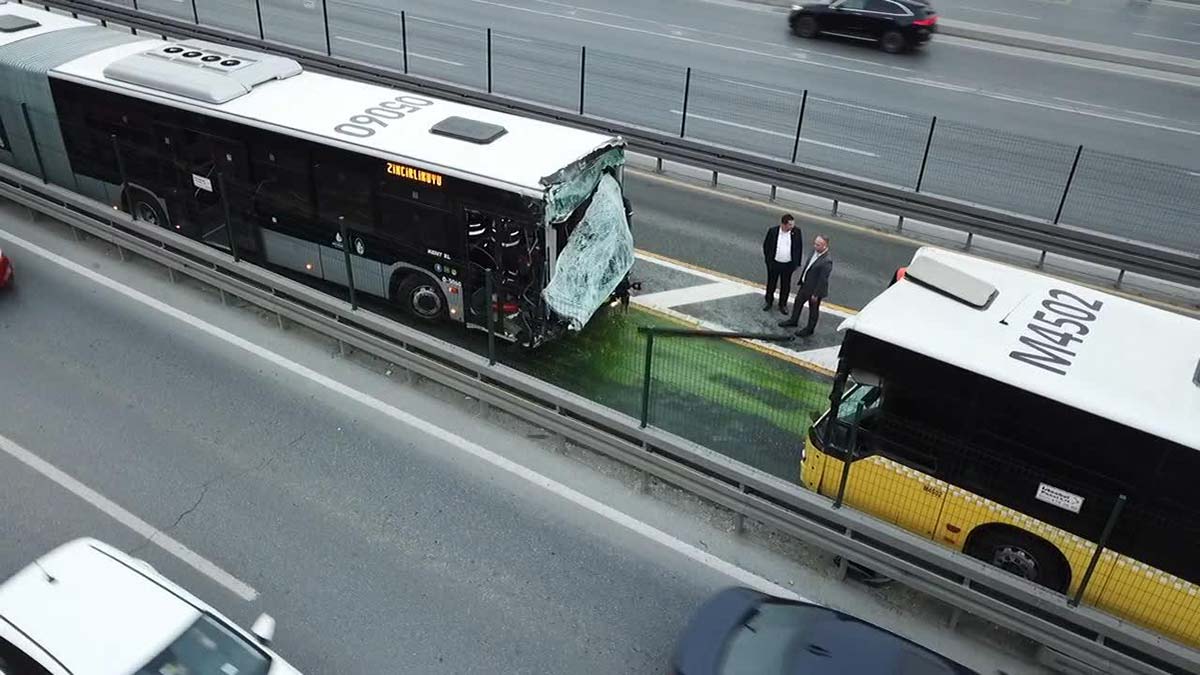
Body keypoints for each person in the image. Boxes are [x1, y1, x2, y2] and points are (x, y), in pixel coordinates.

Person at [779, 234, 833, 337]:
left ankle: (809, 329)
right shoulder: (814, 252)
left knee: (813, 310)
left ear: (825, 246)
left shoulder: (827, 261)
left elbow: (823, 280)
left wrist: (816, 294)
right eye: (815, 243)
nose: (815, 246)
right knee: (798, 302)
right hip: (805, 285)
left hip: (814, 291)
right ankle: (793, 320)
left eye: (818, 245)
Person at [761, 214, 803, 314]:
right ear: (783, 224)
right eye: (790, 225)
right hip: (774, 263)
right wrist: (768, 261)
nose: (792, 227)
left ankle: (782, 304)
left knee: (785, 285)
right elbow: (766, 246)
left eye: (793, 224)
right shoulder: (773, 231)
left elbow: (799, 248)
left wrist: (796, 263)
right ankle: (769, 301)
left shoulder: (796, 232)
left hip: (788, 265)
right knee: (771, 283)